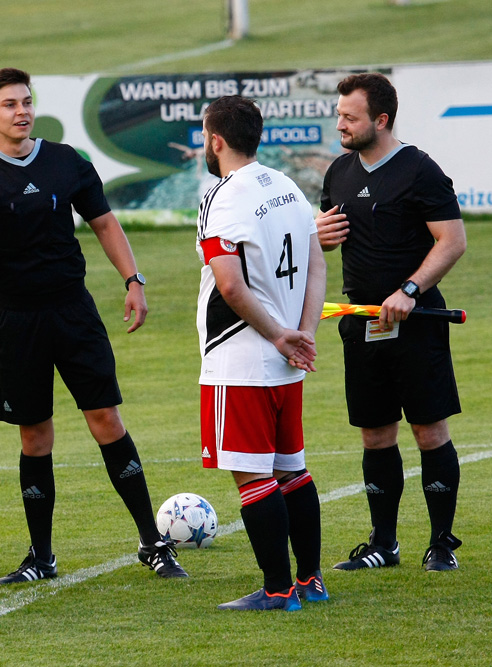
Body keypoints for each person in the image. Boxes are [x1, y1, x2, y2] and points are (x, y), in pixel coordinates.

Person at [0, 67, 188, 584]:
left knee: (106, 421)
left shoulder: (67, 160)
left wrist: (133, 279)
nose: (22, 111)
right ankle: (42, 557)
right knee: (35, 435)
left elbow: (103, 222)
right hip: (17, 318)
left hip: (73, 310)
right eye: (9, 104)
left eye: (26, 101)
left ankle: (153, 542)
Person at [317, 72, 467, 572]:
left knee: (428, 430)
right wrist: (317, 237)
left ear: (381, 120)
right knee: (375, 434)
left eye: (350, 117)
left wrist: (409, 289)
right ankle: (384, 543)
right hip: (360, 324)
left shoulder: (419, 170)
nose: (340, 123)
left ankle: (442, 543)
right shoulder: (338, 172)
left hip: (417, 320)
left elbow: (452, 241)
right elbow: (322, 247)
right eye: (339, 114)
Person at [195, 95, 328, 611]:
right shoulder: (289, 187)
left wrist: (276, 333)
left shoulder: (221, 196)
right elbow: (316, 261)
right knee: (292, 468)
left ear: (216, 140)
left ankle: (277, 590)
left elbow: (229, 286)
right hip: (287, 359)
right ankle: (311, 582)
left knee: (253, 474)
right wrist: (303, 331)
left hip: (242, 357)